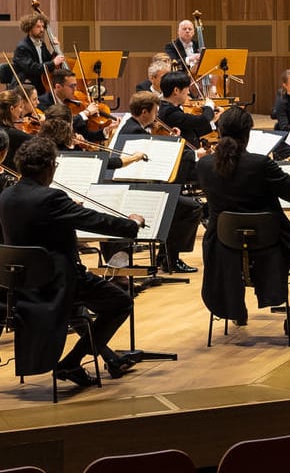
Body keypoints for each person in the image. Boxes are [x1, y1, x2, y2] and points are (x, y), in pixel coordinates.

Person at [0, 135, 145, 387]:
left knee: (80, 310)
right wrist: (133, 224)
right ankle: (71, 363)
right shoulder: (52, 198)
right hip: (59, 282)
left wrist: (67, 210)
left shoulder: (6, 196)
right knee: (121, 303)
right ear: (49, 167)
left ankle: (108, 359)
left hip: (23, 284)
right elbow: (94, 220)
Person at [197, 106, 290, 337]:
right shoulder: (260, 164)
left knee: (238, 243)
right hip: (269, 245)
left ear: (219, 132)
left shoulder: (204, 165)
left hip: (223, 246)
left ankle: (237, 311)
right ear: (248, 133)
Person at [105, 92, 203, 274]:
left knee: (180, 203)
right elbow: (155, 156)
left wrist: (172, 139)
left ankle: (166, 257)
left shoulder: (131, 125)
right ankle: (170, 259)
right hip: (135, 191)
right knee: (191, 208)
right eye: (155, 111)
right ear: (144, 112)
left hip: (139, 186)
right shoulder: (135, 131)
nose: (157, 115)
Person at [13, 10, 67, 106]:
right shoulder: (22, 47)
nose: (42, 29)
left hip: (40, 83)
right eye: (38, 26)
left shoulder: (41, 44)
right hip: (27, 85)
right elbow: (32, 68)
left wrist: (56, 50)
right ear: (29, 28)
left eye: (43, 26)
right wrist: (53, 63)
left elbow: (48, 60)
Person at [157, 70, 215, 147]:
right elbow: (203, 119)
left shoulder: (169, 108)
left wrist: (214, 122)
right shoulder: (170, 113)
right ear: (176, 90)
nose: (188, 93)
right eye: (187, 89)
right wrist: (209, 106)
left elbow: (190, 130)